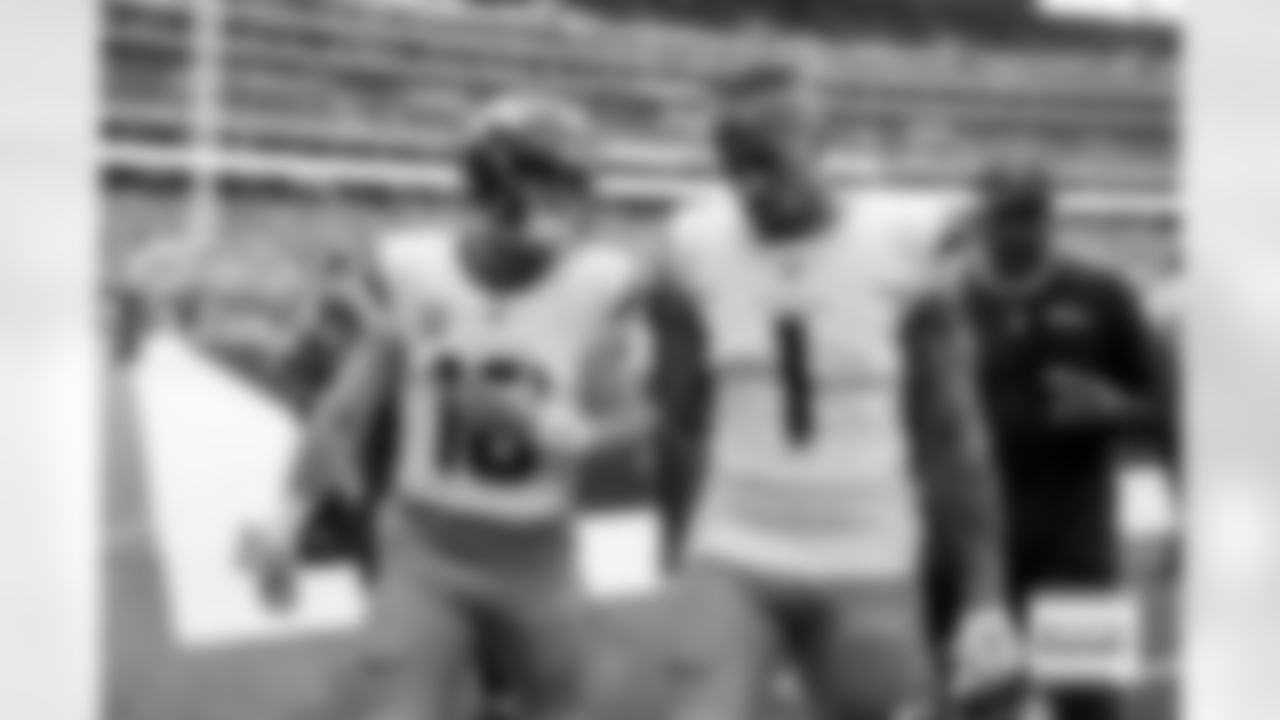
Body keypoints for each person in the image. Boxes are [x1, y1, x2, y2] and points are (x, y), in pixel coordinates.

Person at [243, 93, 654, 720]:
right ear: (496, 183)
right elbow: (343, 412)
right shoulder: (412, 268)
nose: (572, 205)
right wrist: (281, 527)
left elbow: (644, 419)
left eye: (576, 185)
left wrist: (562, 434)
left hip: (538, 555)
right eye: (554, 184)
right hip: (425, 549)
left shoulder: (600, 283)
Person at [656, 58, 1018, 720]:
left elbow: (953, 433)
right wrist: (678, 552)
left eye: (770, 163)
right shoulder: (692, 244)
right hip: (734, 545)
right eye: (735, 168)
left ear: (822, 145)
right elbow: (681, 420)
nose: (752, 187)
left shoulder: (905, 245)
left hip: (866, 553)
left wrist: (984, 595)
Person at [947, 165, 1165, 720]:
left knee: (1085, 699)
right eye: (1006, 216)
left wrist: (1116, 409)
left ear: (1052, 217)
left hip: (1074, 540)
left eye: (1032, 215)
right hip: (973, 546)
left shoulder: (1103, 294)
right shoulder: (942, 301)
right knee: (978, 701)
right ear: (979, 219)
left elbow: (1166, 409)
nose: (1019, 231)